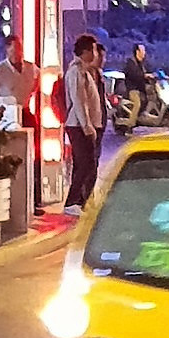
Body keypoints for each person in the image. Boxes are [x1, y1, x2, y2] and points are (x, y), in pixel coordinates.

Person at [64, 33, 106, 210]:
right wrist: (87, 126)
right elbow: (79, 101)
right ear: (86, 51)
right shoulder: (76, 71)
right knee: (86, 164)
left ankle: (79, 201)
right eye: (94, 50)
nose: (96, 54)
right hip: (78, 126)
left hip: (84, 125)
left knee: (86, 164)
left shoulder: (85, 71)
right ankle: (72, 202)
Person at [0, 34, 38, 130]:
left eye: (20, 49)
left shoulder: (31, 68)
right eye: (14, 50)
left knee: (32, 134)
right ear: (7, 50)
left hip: (25, 112)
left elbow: (37, 82)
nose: (18, 53)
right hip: (6, 115)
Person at [122, 41, 154, 130]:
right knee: (137, 103)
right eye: (143, 51)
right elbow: (134, 75)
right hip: (133, 89)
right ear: (137, 52)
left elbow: (147, 73)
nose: (144, 53)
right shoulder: (131, 63)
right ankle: (130, 125)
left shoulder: (142, 64)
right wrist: (144, 76)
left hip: (141, 89)